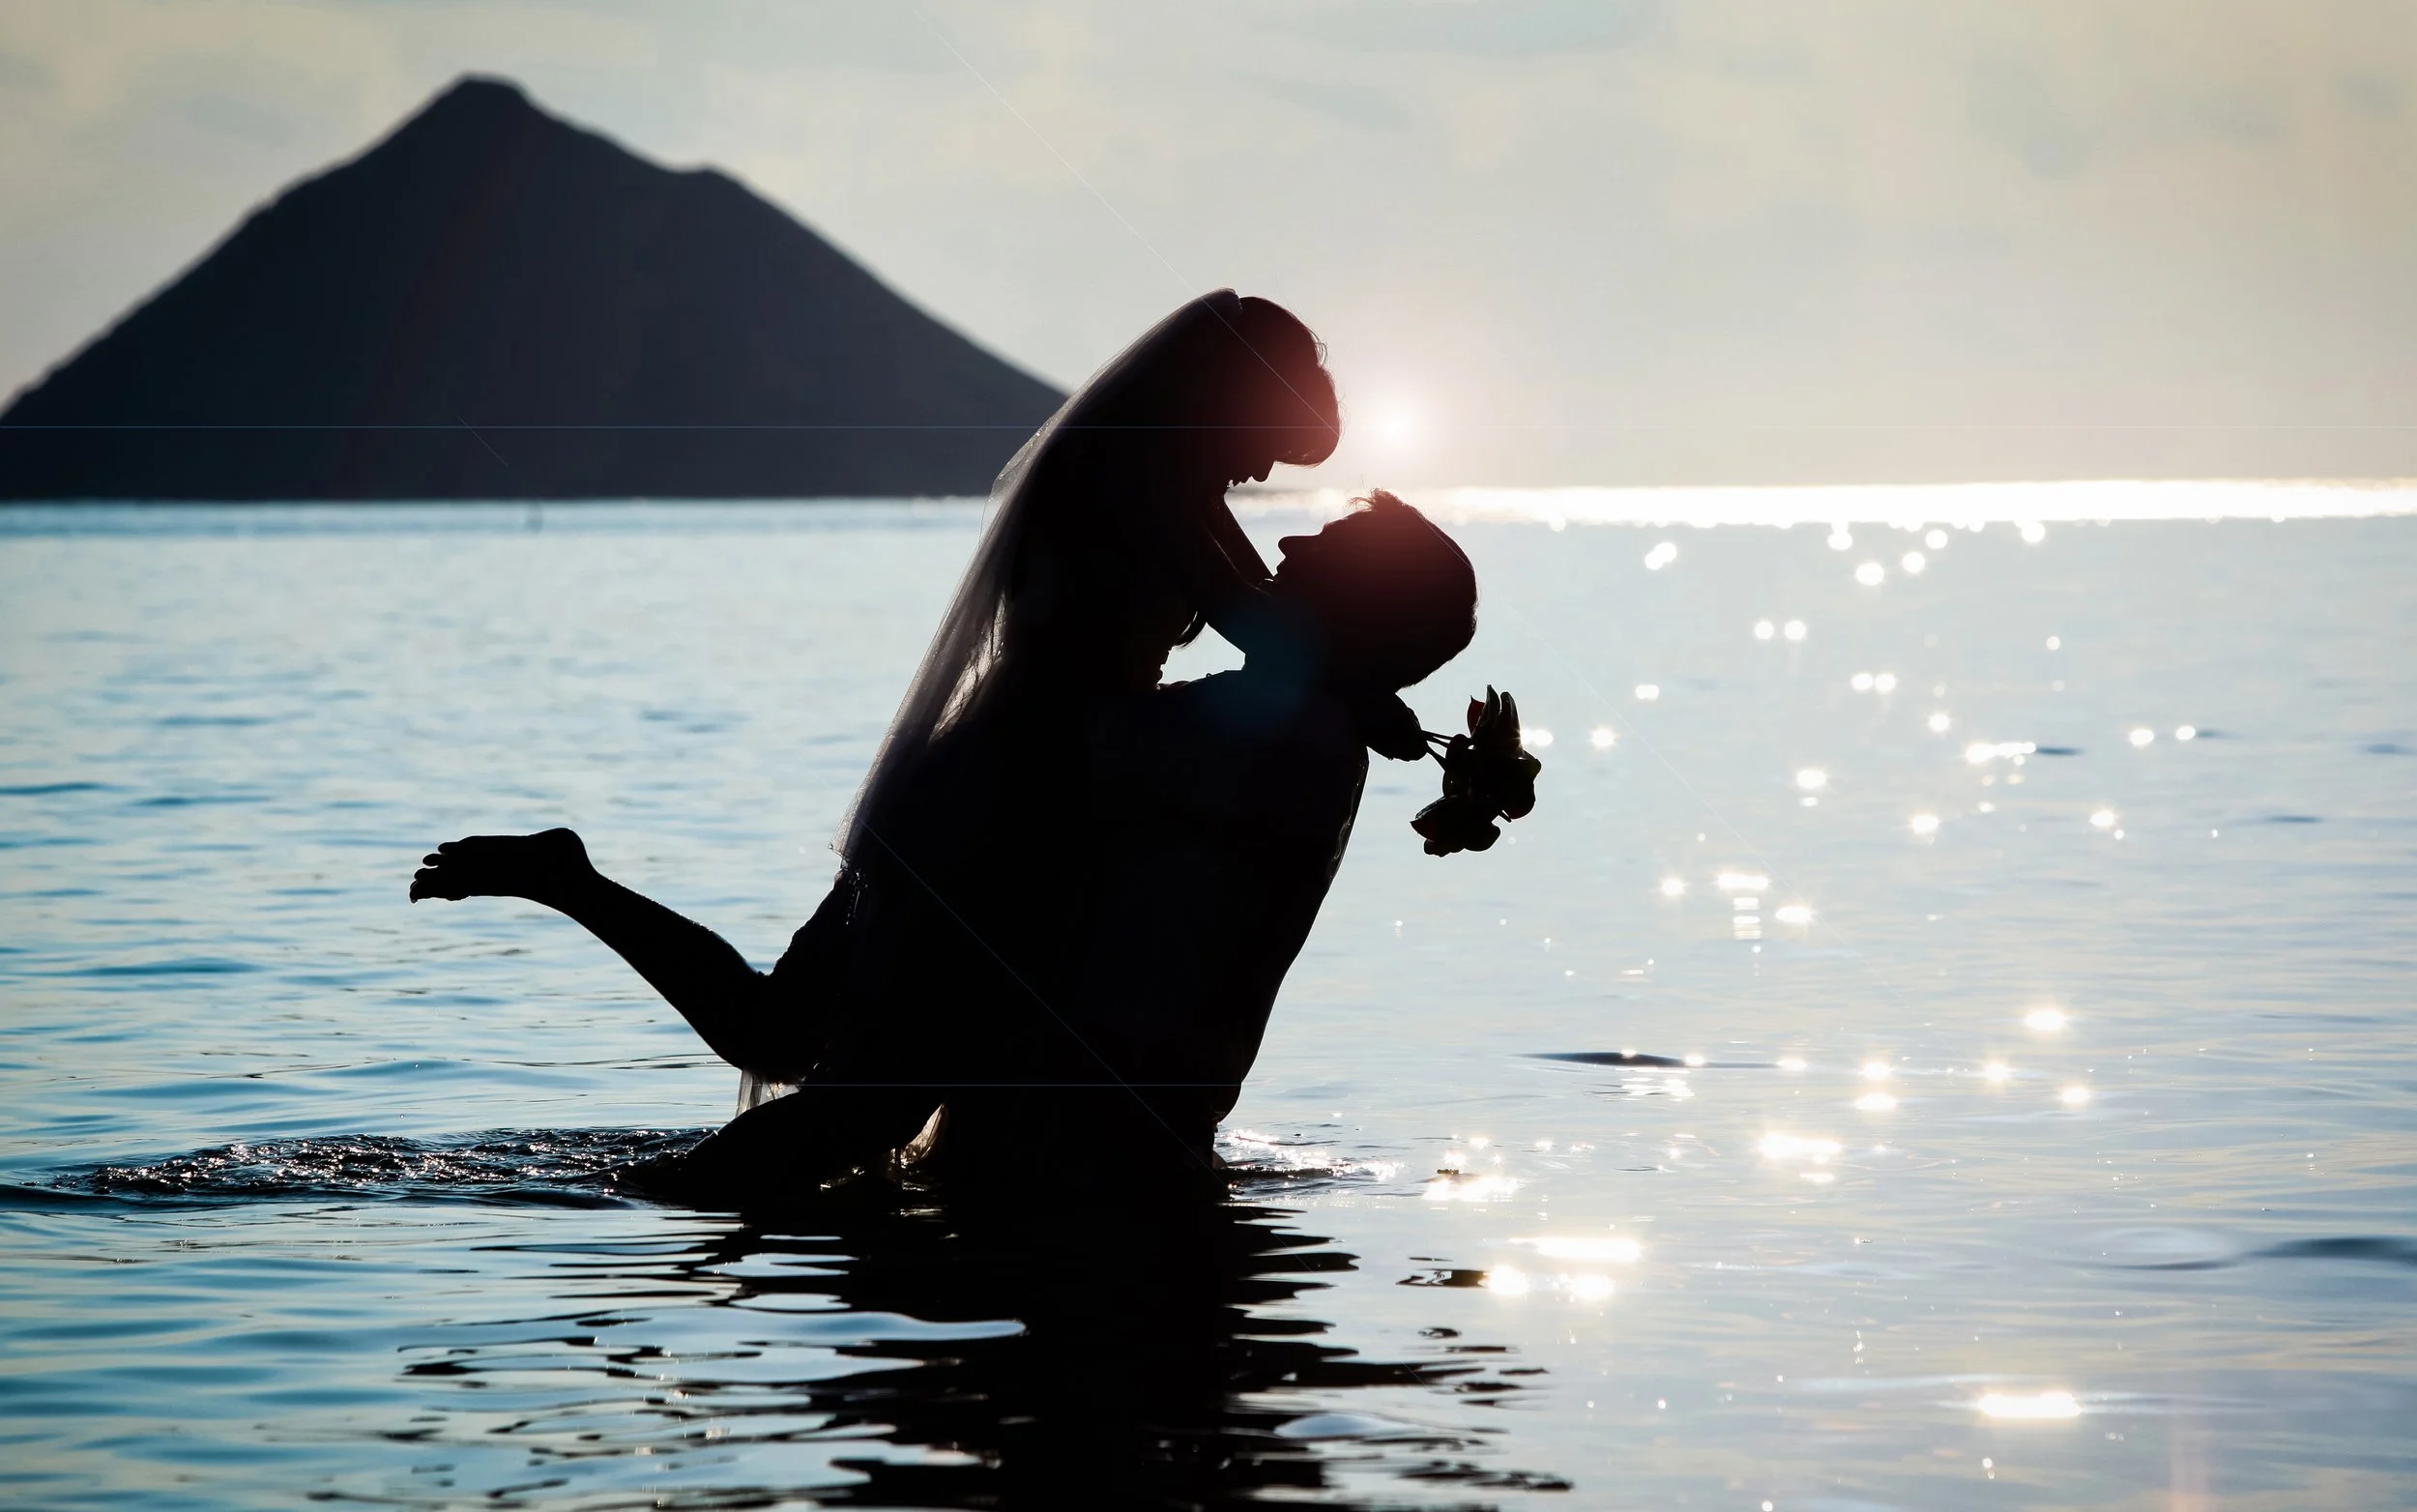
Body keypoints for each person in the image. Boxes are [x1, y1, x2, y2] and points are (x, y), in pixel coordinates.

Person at [410, 490, 1475, 1201]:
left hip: (1096, 1159)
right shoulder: (1304, 720)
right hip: (1064, 1126)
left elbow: (1074, 736)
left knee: (807, 1073)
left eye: (1321, 550)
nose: (1281, 546)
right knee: (791, 1049)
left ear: (1355, 612)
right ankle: (573, 891)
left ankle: (576, 922)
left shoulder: (1286, 737)